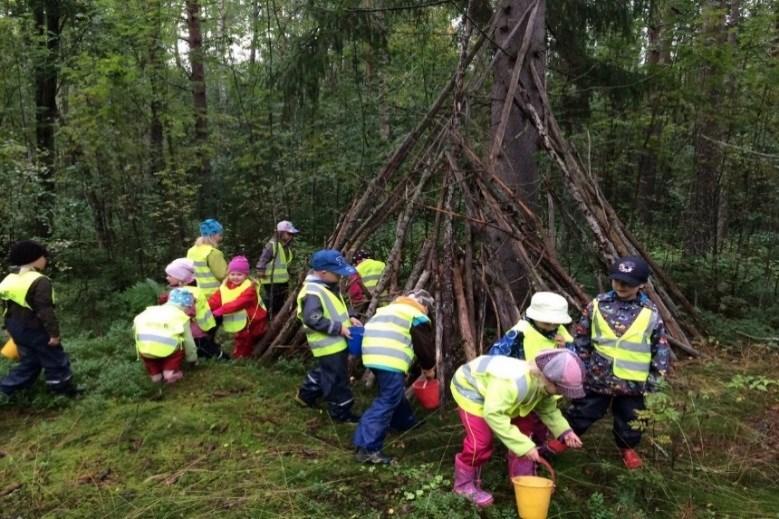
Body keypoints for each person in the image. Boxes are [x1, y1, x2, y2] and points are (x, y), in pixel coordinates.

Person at [561, 256, 671, 470]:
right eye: (617, 280)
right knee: (583, 411)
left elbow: (660, 348)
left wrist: (656, 381)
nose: (621, 286)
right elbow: (582, 337)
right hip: (597, 378)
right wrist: (581, 367)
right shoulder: (597, 305)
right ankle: (563, 439)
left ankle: (627, 448)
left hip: (633, 383)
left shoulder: (650, 313)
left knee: (631, 419)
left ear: (641, 284)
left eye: (628, 283)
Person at [450, 350, 585, 508]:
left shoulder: (542, 385)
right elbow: (493, 414)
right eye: (561, 390)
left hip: (500, 398)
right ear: (549, 380)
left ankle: (522, 478)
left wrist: (565, 431)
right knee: (480, 442)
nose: (563, 394)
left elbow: (548, 410)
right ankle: (463, 486)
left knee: (524, 432)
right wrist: (525, 447)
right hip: (471, 388)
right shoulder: (513, 384)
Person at [353, 289, 436, 464]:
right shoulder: (417, 316)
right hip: (390, 358)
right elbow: (423, 347)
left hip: (371, 355)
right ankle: (368, 447)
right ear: (424, 305)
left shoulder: (387, 309)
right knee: (387, 399)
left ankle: (404, 422)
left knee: (393, 393)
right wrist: (428, 368)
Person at [488, 292, 573, 455]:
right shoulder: (520, 331)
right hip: (522, 388)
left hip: (547, 390)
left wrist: (564, 347)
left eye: (555, 322)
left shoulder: (560, 332)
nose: (551, 326)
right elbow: (496, 355)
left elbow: (571, 357)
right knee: (523, 424)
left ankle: (538, 452)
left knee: (543, 422)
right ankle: (522, 453)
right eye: (546, 322)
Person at [0, 240, 80, 398]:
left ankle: (6, 390)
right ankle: (62, 392)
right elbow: (45, 311)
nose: (46, 260)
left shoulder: (9, 278)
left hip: (15, 326)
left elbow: (7, 306)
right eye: (44, 256)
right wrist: (54, 335)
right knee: (55, 359)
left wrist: (8, 328)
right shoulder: (39, 280)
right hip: (35, 328)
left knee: (31, 361)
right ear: (34, 258)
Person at [295, 249, 362, 423]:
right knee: (338, 379)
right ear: (323, 273)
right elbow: (313, 318)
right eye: (337, 273)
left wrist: (351, 317)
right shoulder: (313, 292)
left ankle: (306, 395)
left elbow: (336, 308)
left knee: (326, 371)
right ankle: (340, 411)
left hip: (335, 343)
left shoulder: (327, 286)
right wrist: (339, 328)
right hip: (328, 344)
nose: (341, 277)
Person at [163, 258, 227, 360]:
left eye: (170, 276)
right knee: (199, 345)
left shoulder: (186, 293)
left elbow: (187, 311)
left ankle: (221, 356)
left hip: (196, 328)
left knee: (203, 347)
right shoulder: (182, 290)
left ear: (181, 278)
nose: (167, 278)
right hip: (193, 326)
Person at [133, 288, 198, 384]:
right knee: (179, 344)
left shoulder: (149, 311)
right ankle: (170, 373)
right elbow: (189, 342)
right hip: (169, 350)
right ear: (186, 306)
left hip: (145, 350)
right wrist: (192, 359)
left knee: (154, 368)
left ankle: (156, 376)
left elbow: (136, 327)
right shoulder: (181, 317)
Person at [208, 256, 267, 359]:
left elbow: (239, 303)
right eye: (232, 274)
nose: (235, 277)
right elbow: (216, 299)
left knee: (249, 337)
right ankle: (241, 353)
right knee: (242, 336)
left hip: (254, 318)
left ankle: (242, 356)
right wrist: (207, 308)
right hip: (242, 318)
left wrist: (220, 311)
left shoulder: (250, 288)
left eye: (239, 274)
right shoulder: (226, 285)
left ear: (246, 275)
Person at [256, 220, 300, 317]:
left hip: (283, 282)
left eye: (292, 234)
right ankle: (265, 320)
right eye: (289, 234)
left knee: (281, 305)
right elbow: (262, 261)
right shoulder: (271, 246)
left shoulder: (285, 247)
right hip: (271, 283)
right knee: (273, 305)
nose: (291, 236)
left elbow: (285, 265)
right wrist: (261, 271)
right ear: (281, 233)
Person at [186, 219, 227, 298]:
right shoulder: (213, 252)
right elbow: (222, 275)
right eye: (220, 235)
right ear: (213, 235)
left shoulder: (191, 251)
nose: (221, 238)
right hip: (213, 294)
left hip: (196, 293)